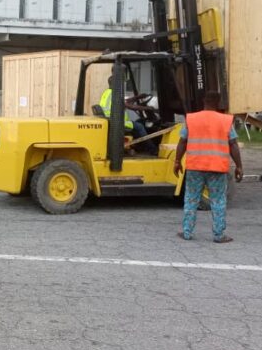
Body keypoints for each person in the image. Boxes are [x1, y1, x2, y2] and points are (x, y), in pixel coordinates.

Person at [173, 91, 243, 243]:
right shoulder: (225, 120)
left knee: (191, 200)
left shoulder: (192, 119)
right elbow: (233, 145)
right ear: (218, 103)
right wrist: (239, 166)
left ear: (204, 101)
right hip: (217, 169)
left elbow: (182, 141)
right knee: (218, 201)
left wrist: (177, 161)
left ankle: (187, 232)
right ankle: (219, 235)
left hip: (195, 167)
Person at [99, 77, 157, 154]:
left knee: (139, 121)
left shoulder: (107, 92)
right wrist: (148, 108)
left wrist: (138, 97)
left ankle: (138, 146)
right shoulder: (115, 94)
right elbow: (131, 106)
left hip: (111, 120)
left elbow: (125, 102)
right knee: (140, 126)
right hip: (118, 122)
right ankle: (152, 149)